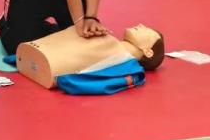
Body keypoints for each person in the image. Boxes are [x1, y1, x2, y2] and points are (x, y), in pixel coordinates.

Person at [16, 24, 164, 90]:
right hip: (37, 54)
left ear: (148, 52)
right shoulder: (106, 36)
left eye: (147, 30)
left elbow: (104, 84)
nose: (141, 25)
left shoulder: (130, 69)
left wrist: (67, 82)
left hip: (51, 66)